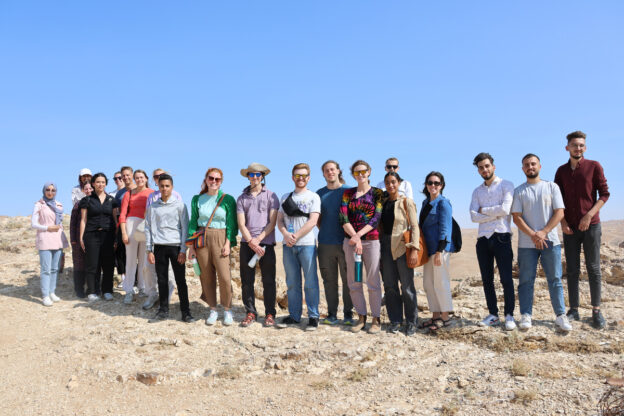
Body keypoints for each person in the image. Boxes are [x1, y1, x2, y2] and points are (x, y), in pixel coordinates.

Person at [554, 131, 610, 329]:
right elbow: (557, 200)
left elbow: (604, 194)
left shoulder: (594, 166)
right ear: (567, 148)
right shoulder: (561, 172)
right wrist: (562, 223)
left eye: (581, 145)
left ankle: (596, 311)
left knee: (593, 268)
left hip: (591, 226)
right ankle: (574, 310)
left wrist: (589, 215)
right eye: (574, 145)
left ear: (585, 148)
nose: (578, 148)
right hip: (570, 228)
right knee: (572, 269)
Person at [511, 154, 572, 332]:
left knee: (555, 279)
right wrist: (533, 235)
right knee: (525, 280)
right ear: (523, 169)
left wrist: (543, 232)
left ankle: (560, 315)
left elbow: (559, 212)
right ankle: (526, 315)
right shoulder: (519, 191)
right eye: (527, 165)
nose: (530, 167)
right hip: (526, 244)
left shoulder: (551, 187)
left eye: (533, 164)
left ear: (539, 166)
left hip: (550, 241)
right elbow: (516, 217)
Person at [469, 152, 516, 330]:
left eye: (487, 166)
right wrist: (493, 213)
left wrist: (484, 210)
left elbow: (505, 210)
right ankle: (493, 315)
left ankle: (509, 315)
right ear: (478, 170)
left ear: (493, 166)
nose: (485, 170)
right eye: (481, 167)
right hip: (483, 239)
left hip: (502, 236)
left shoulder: (506, 185)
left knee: (506, 278)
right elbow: (473, 216)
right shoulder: (477, 191)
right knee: (487, 279)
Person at [187, 168, 238, 326]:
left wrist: (228, 243)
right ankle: (213, 309)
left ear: (221, 181)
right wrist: (191, 247)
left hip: (221, 237)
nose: (214, 181)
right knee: (206, 276)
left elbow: (232, 224)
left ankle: (227, 309)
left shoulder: (228, 199)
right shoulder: (197, 199)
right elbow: (193, 223)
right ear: (206, 179)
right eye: (211, 178)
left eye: (217, 179)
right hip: (202, 239)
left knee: (224, 277)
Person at [339, 160, 384, 334]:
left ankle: (376, 319)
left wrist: (358, 236)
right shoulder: (348, 194)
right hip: (351, 243)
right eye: (357, 172)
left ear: (369, 172)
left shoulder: (377, 193)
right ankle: (361, 317)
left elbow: (376, 218)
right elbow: (343, 218)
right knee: (354, 281)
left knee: (373, 280)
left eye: (363, 171)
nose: (360, 175)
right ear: (353, 175)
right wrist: (355, 238)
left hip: (371, 242)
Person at [276, 163, 321, 331]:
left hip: (307, 244)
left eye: (303, 175)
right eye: (297, 175)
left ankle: (313, 316)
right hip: (288, 245)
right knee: (292, 282)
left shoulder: (313, 197)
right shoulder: (285, 197)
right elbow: (280, 220)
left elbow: (313, 221)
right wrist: (285, 234)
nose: (300, 178)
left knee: (310, 281)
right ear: (292, 177)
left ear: (308, 178)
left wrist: (296, 236)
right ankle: (294, 316)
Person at [145, 174, 195, 323]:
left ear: (172, 187)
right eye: (162, 186)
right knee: (162, 280)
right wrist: (149, 250)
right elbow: (148, 228)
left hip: (176, 247)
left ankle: (186, 312)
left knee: (180, 281)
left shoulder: (180, 206)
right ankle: (163, 311)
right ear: (158, 187)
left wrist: (183, 250)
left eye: (167, 186)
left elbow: (185, 228)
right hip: (159, 247)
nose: (164, 188)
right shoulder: (152, 207)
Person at [237, 163, 280, 327]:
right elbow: (241, 224)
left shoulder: (272, 196)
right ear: (248, 177)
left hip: (266, 243)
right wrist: (251, 241)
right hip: (246, 244)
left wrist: (259, 239)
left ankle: (270, 313)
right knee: (247, 281)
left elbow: (272, 222)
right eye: (251, 174)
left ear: (262, 176)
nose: (254, 177)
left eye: (257, 175)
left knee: (268, 280)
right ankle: (250, 312)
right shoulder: (241, 198)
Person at [379, 172, 420, 335]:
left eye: (393, 182)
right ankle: (395, 320)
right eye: (387, 182)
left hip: (403, 247)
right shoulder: (382, 203)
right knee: (390, 286)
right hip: (385, 247)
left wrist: (414, 249)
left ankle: (411, 322)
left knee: (407, 286)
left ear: (399, 183)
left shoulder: (406, 202)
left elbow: (415, 227)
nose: (390, 185)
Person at [316, 160, 354, 325]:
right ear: (323, 174)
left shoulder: (349, 192)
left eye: (332, 169)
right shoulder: (319, 194)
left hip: (346, 243)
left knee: (349, 281)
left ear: (338, 171)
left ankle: (348, 315)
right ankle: (332, 314)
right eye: (326, 170)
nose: (330, 172)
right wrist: (326, 230)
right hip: (325, 243)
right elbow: (317, 219)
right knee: (329, 281)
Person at [419, 171, 455, 332]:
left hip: (440, 249)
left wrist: (440, 250)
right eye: (430, 182)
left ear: (442, 185)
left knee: (441, 283)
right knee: (428, 284)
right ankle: (435, 316)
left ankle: (445, 318)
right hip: (428, 250)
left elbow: (446, 228)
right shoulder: (425, 203)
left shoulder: (443, 203)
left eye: (436, 183)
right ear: (426, 185)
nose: (433, 185)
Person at [79, 173, 119, 301]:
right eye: (97, 182)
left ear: (106, 184)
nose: (100, 184)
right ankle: (92, 291)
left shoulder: (112, 200)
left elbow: (115, 219)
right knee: (92, 264)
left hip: (108, 235)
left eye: (103, 182)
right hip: (91, 235)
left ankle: (107, 290)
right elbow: (83, 220)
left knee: (108, 264)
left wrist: (116, 237)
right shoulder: (87, 200)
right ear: (93, 184)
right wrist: (81, 237)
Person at [119, 170, 156, 308]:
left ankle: (142, 288)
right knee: (130, 260)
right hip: (131, 225)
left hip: (146, 226)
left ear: (146, 178)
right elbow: (122, 215)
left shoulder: (152, 193)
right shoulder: (128, 194)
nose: (139, 179)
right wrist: (124, 233)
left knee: (144, 260)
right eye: (137, 178)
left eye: (141, 177)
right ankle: (128, 290)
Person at [32, 182, 69, 306]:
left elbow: (59, 223)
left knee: (55, 269)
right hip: (45, 239)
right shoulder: (39, 204)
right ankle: (45, 295)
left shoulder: (58, 205)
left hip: (57, 239)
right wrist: (48, 227)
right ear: (44, 191)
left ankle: (52, 292)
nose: (50, 192)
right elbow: (33, 224)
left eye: (53, 190)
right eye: (48, 189)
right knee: (46, 269)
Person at [113, 166, 135, 290]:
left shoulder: (139, 189)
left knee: (136, 254)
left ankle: (137, 281)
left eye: (128, 175)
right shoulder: (119, 194)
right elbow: (116, 211)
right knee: (121, 253)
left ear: (132, 175)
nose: (125, 177)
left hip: (137, 225)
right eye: (123, 176)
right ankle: (125, 279)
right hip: (123, 225)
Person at [70, 181, 93, 298]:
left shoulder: (97, 202)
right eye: (86, 189)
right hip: (79, 240)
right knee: (79, 265)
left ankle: (91, 289)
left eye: (90, 188)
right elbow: (73, 222)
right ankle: (79, 289)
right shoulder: (78, 204)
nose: (88, 191)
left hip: (92, 239)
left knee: (91, 264)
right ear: (83, 191)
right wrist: (73, 239)